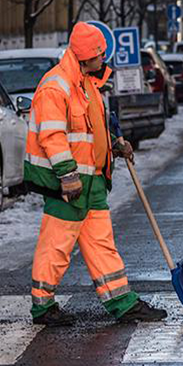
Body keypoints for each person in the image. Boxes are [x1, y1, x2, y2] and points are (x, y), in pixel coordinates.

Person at [24, 22, 166, 326]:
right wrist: (67, 175)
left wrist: (115, 145)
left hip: (93, 183)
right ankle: (42, 306)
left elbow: (90, 130)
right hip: (69, 184)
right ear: (87, 55)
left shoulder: (86, 85)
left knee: (102, 244)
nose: (104, 60)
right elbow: (52, 137)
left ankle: (122, 302)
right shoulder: (55, 87)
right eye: (100, 55)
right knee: (57, 244)